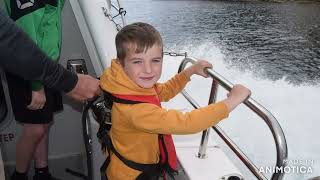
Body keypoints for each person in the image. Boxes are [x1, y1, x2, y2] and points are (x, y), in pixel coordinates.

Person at [100, 22, 251, 179]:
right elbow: (188, 123)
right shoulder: (137, 111)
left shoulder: (129, 85)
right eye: (137, 61)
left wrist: (190, 71)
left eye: (155, 60)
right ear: (120, 64)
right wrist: (232, 101)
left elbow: (164, 91)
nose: (148, 69)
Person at [0, 9, 101, 101]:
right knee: (37, 118)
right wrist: (38, 86)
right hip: (36, 72)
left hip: (43, 68)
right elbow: (10, 40)